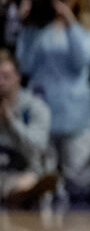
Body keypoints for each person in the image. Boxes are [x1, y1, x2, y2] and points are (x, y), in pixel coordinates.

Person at [17, 0, 90, 196]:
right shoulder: (38, 26)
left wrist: (70, 23)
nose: (61, 0)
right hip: (43, 112)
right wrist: (28, 25)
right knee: (44, 182)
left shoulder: (88, 24)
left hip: (76, 116)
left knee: (78, 183)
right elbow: (25, 65)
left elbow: (83, 60)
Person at [0, 49, 56, 208]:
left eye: (6, 76)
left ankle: (24, 194)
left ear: (18, 77)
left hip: (25, 171)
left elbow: (38, 146)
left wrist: (11, 123)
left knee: (29, 181)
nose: (0, 82)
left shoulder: (35, 107)